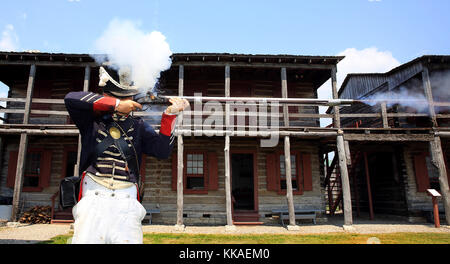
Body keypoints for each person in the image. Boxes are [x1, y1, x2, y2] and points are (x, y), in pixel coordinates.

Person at [64, 65, 189, 244]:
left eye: (127, 97)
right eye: (121, 98)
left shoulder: (138, 126)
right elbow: (71, 98)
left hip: (126, 198)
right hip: (94, 195)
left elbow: (162, 151)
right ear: (107, 97)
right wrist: (116, 105)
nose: (128, 101)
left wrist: (170, 115)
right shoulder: (91, 120)